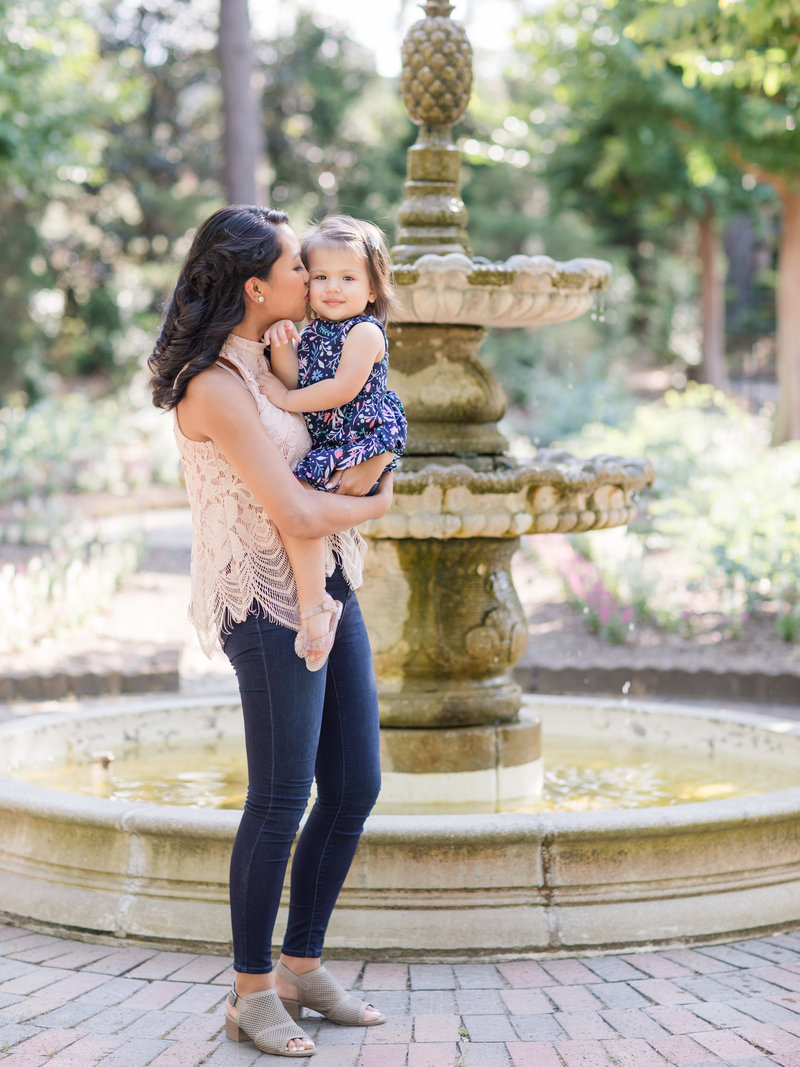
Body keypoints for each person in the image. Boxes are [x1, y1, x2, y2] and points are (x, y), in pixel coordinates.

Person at [148, 205, 393, 1058]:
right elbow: (287, 504)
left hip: (330, 580)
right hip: (262, 598)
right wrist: (376, 501)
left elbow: (333, 432)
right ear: (255, 287)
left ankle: (301, 964)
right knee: (283, 796)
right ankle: (252, 991)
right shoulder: (214, 385)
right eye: (297, 267)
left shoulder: (276, 353)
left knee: (355, 784)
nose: (312, 278)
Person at [259, 215, 406, 672]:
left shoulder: (364, 332)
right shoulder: (312, 333)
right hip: (335, 441)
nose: (332, 288)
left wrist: (284, 397)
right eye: (320, 277)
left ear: (372, 289)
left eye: (347, 278)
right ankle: (314, 599)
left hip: (363, 434)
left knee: (300, 501)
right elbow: (291, 376)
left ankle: (315, 602)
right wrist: (282, 340)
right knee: (298, 506)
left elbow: (340, 390)